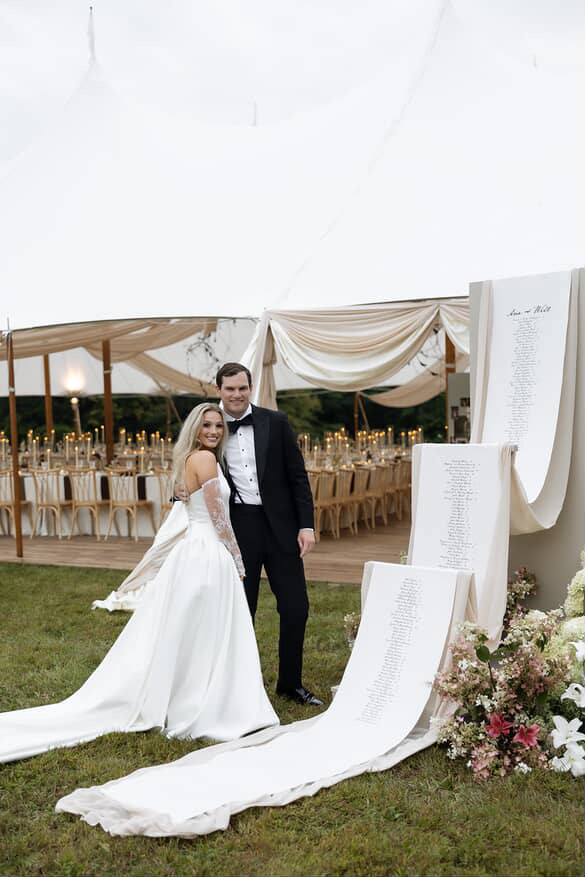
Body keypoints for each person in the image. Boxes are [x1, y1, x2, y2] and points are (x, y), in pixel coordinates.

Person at [0, 403, 278, 764]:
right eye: (206, 425)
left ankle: (185, 693)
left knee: (191, 627)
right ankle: (201, 698)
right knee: (206, 628)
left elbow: (185, 499)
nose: (213, 431)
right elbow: (218, 516)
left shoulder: (191, 459)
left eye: (217, 426)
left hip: (193, 551)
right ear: (195, 429)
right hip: (208, 553)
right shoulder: (206, 459)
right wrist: (238, 559)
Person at [216, 362, 322, 707]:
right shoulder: (210, 426)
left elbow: (297, 476)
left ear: (250, 388)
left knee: (296, 607)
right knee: (241, 611)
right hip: (239, 529)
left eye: (242, 388)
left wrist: (306, 525)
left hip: (282, 528)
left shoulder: (275, 422)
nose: (237, 395)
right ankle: (240, 688)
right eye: (230, 389)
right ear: (219, 390)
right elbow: (190, 472)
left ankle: (290, 684)